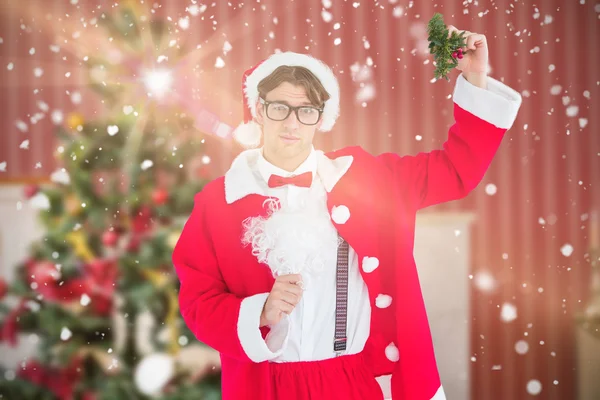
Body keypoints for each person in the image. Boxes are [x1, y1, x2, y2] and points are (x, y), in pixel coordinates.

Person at [172, 25, 522, 400]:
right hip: (262, 387)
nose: (292, 123)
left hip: (353, 382)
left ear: (322, 117)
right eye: (279, 107)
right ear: (258, 110)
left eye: (306, 110)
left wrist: (475, 77)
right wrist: (258, 312)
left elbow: (456, 169)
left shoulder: (369, 181)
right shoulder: (217, 201)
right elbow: (197, 301)